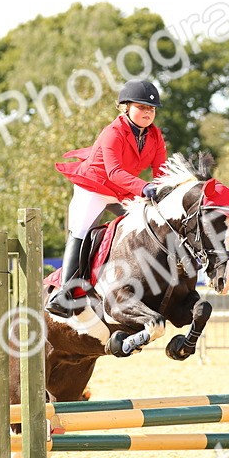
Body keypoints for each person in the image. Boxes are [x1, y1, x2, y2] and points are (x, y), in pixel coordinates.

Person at [46, 80, 169, 317]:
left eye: (151, 109)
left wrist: (164, 190)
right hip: (93, 186)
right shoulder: (113, 132)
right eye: (142, 107)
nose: (147, 112)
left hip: (121, 190)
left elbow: (161, 171)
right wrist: (144, 187)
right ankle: (65, 293)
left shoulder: (154, 136)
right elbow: (113, 172)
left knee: (142, 228)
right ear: (125, 107)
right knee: (81, 232)